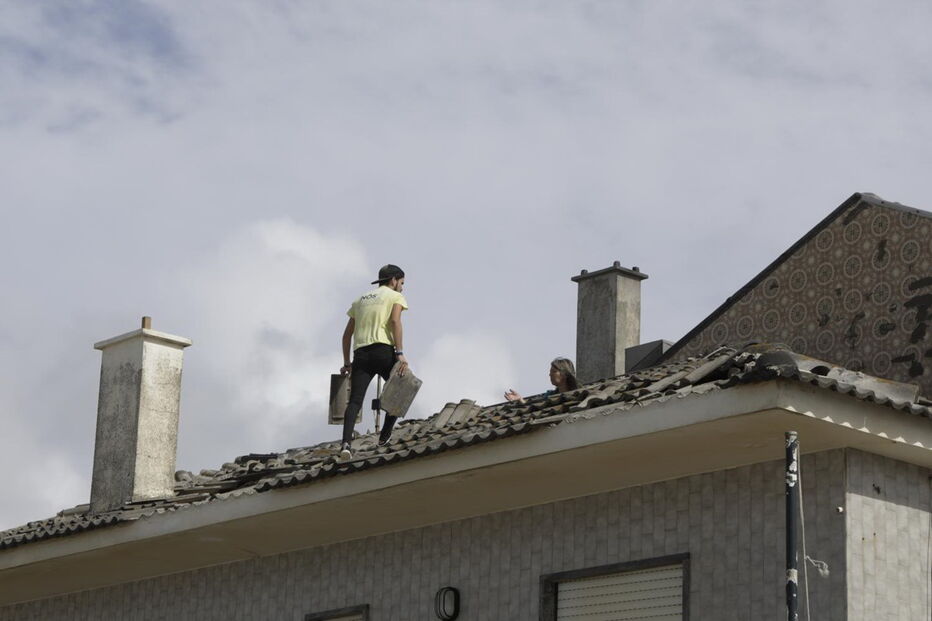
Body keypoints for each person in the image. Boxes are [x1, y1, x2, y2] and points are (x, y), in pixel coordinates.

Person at [339, 264, 410, 459]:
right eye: (402, 283)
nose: (402, 287)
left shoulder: (359, 300)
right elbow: (395, 322)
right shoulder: (395, 297)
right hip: (383, 351)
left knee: (355, 401)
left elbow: (346, 336)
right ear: (394, 280)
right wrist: (400, 352)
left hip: (360, 354)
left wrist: (347, 363)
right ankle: (385, 435)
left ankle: (345, 444)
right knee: (402, 388)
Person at [504, 357, 578, 402]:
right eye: (550, 372)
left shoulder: (579, 395)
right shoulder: (549, 396)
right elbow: (534, 408)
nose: (550, 374)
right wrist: (520, 399)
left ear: (564, 374)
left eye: (554, 371)